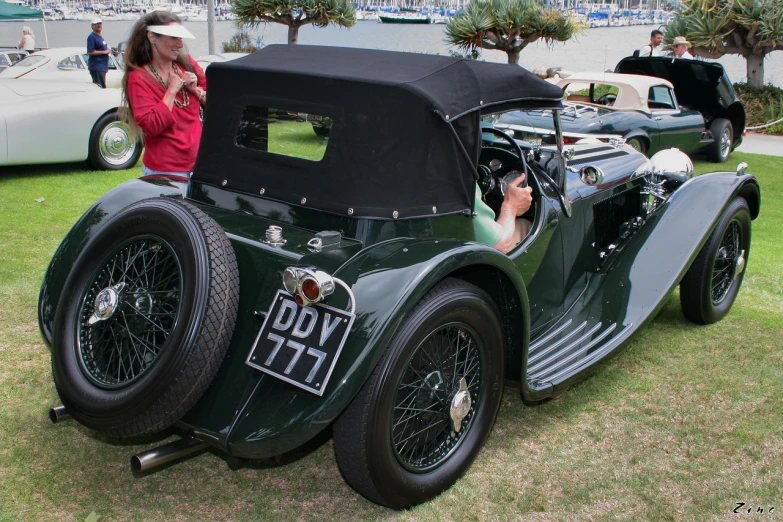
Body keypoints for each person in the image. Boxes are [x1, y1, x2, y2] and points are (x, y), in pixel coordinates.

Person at [121, 12, 206, 176]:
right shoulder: (138, 78)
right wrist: (172, 90)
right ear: (152, 37)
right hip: (164, 172)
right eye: (174, 38)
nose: (180, 44)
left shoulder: (187, 63)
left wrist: (195, 90)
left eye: (181, 39)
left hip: (198, 166)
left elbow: (217, 102)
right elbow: (152, 126)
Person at [474, 175, 533, 253]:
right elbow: (496, 247)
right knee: (525, 226)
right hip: (474, 256)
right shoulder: (462, 179)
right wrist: (511, 205)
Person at [87, 18, 111, 88]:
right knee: (100, 87)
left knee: (102, 85)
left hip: (102, 66)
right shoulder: (92, 37)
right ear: (92, 26)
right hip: (97, 67)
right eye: (96, 24)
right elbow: (90, 52)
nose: (99, 25)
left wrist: (108, 51)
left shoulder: (100, 37)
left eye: (100, 23)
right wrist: (104, 52)